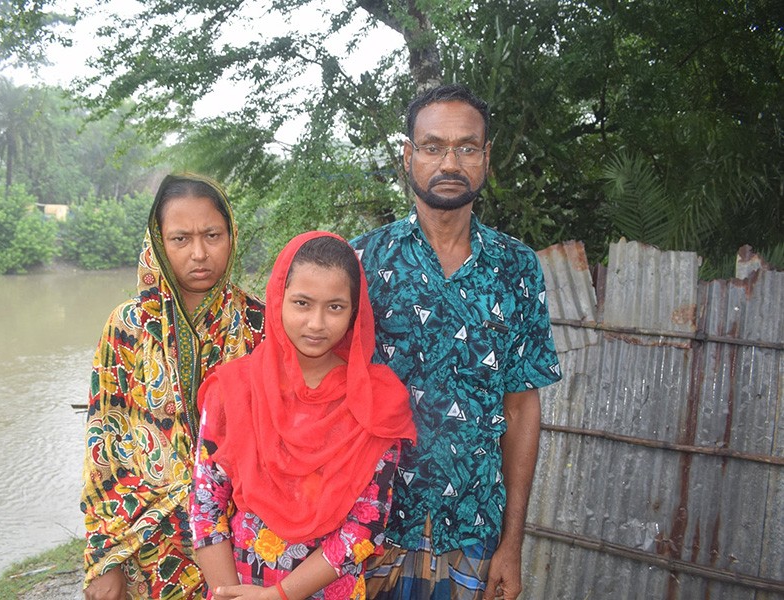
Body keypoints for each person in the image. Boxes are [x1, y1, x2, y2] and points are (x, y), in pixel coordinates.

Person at [351, 84, 563, 600]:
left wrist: (512, 544)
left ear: (487, 158)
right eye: (432, 146)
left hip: (475, 535)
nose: (450, 162)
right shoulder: (360, 265)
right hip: (366, 534)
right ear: (409, 156)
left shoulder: (516, 269)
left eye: (467, 147)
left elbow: (521, 410)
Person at [189, 232, 417, 600]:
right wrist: (229, 594)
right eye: (302, 303)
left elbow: (365, 526)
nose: (316, 323)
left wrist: (279, 596)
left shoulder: (377, 402)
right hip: (237, 588)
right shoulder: (232, 390)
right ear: (278, 299)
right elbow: (205, 504)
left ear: (355, 312)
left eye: (335, 307)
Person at [81, 173, 265, 599]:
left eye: (212, 235)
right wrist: (105, 558)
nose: (199, 253)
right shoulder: (126, 327)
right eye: (180, 239)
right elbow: (103, 444)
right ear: (158, 243)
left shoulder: (263, 323)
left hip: (244, 545)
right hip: (145, 548)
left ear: (231, 235)